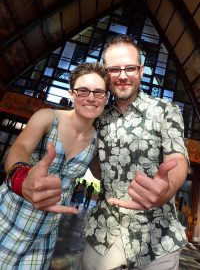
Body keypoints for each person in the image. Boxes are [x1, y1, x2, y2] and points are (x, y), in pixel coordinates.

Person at [17, 35, 188, 270]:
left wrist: (168, 186)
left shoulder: (166, 110)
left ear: (141, 70)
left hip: (158, 235)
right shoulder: (96, 114)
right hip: (104, 233)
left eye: (130, 67)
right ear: (106, 75)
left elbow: (177, 157)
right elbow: (95, 168)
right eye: (114, 69)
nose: (123, 75)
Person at [0, 62, 108, 269]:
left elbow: (104, 177)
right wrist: (21, 176)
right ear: (71, 93)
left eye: (99, 92)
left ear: (105, 98)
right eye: (83, 90)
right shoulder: (47, 117)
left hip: (43, 236)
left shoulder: (97, 144)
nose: (91, 98)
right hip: (7, 219)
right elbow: (20, 147)